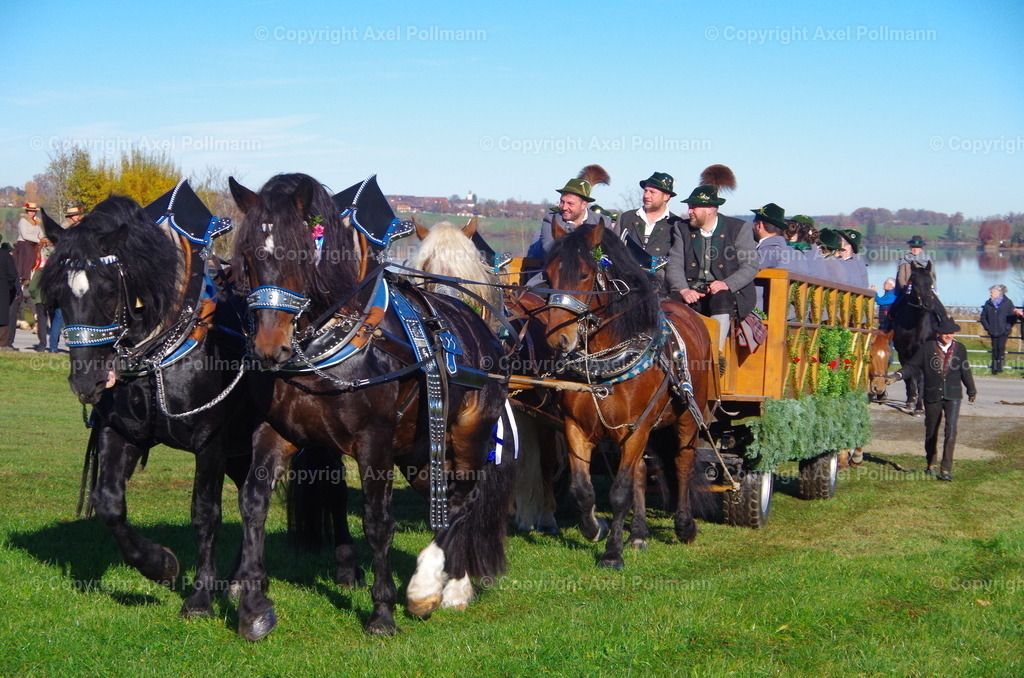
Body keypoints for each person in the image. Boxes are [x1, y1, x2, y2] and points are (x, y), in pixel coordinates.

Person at [665, 182, 758, 353]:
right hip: (692, 290)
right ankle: (672, 356)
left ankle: (716, 355)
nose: (689, 211)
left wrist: (727, 284)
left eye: (693, 207)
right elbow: (675, 263)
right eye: (689, 207)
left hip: (731, 294)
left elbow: (750, 266)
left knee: (721, 297)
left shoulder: (738, 228)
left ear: (709, 209)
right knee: (667, 302)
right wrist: (684, 290)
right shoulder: (682, 228)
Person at [888, 318, 977, 481]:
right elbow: (912, 366)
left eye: (951, 333)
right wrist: (897, 375)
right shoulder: (927, 348)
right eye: (945, 333)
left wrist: (971, 389)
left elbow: (965, 370)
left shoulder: (960, 348)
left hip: (953, 395)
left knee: (951, 430)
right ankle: (931, 463)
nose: (948, 335)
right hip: (932, 394)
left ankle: (946, 469)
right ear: (938, 333)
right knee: (931, 431)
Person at [617, 172, 684, 297]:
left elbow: (677, 261)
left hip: (659, 290)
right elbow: (614, 251)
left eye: (652, 192)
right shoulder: (626, 218)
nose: (646, 195)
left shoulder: (676, 224)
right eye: (645, 191)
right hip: (625, 286)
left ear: (666, 196)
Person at [530, 166, 614, 258]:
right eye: (562, 202)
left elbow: (609, 251)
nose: (564, 207)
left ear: (583, 205)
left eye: (570, 203)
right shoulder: (551, 220)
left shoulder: (603, 222)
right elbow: (549, 249)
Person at [979, 284, 1018, 374]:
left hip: (1003, 331)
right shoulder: (988, 303)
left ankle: (999, 369)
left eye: (991, 292)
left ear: (998, 292)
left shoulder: (1008, 303)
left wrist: (1007, 327)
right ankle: (994, 369)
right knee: (994, 349)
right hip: (993, 330)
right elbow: (983, 316)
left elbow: (1013, 317)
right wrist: (987, 327)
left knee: (1001, 349)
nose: (990, 294)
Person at [0, 242, 19, 351]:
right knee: (3, 316)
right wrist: (10, 287)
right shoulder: (5, 255)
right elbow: (12, 274)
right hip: (3, 289)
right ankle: (2, 344)